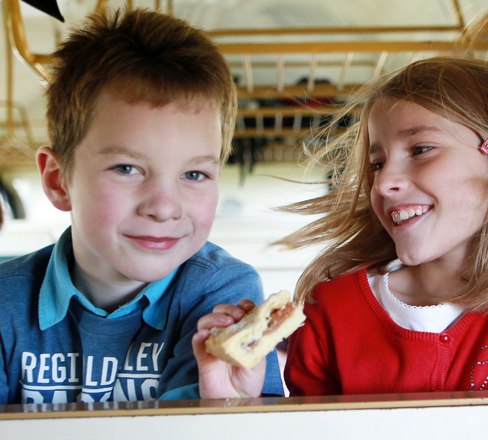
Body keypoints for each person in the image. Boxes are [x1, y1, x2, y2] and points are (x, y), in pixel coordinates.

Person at [200, 56, 488, 397]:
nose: (385, 181)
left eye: (421, 149)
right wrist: (237, 403)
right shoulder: (329, 309)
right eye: (377, 163)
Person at [0, 9, 283, 404]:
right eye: (127, 168)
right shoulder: (5, 302)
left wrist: (223, 408)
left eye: (195, 175)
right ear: (57, 181)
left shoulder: (222, 294)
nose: (164, 208)